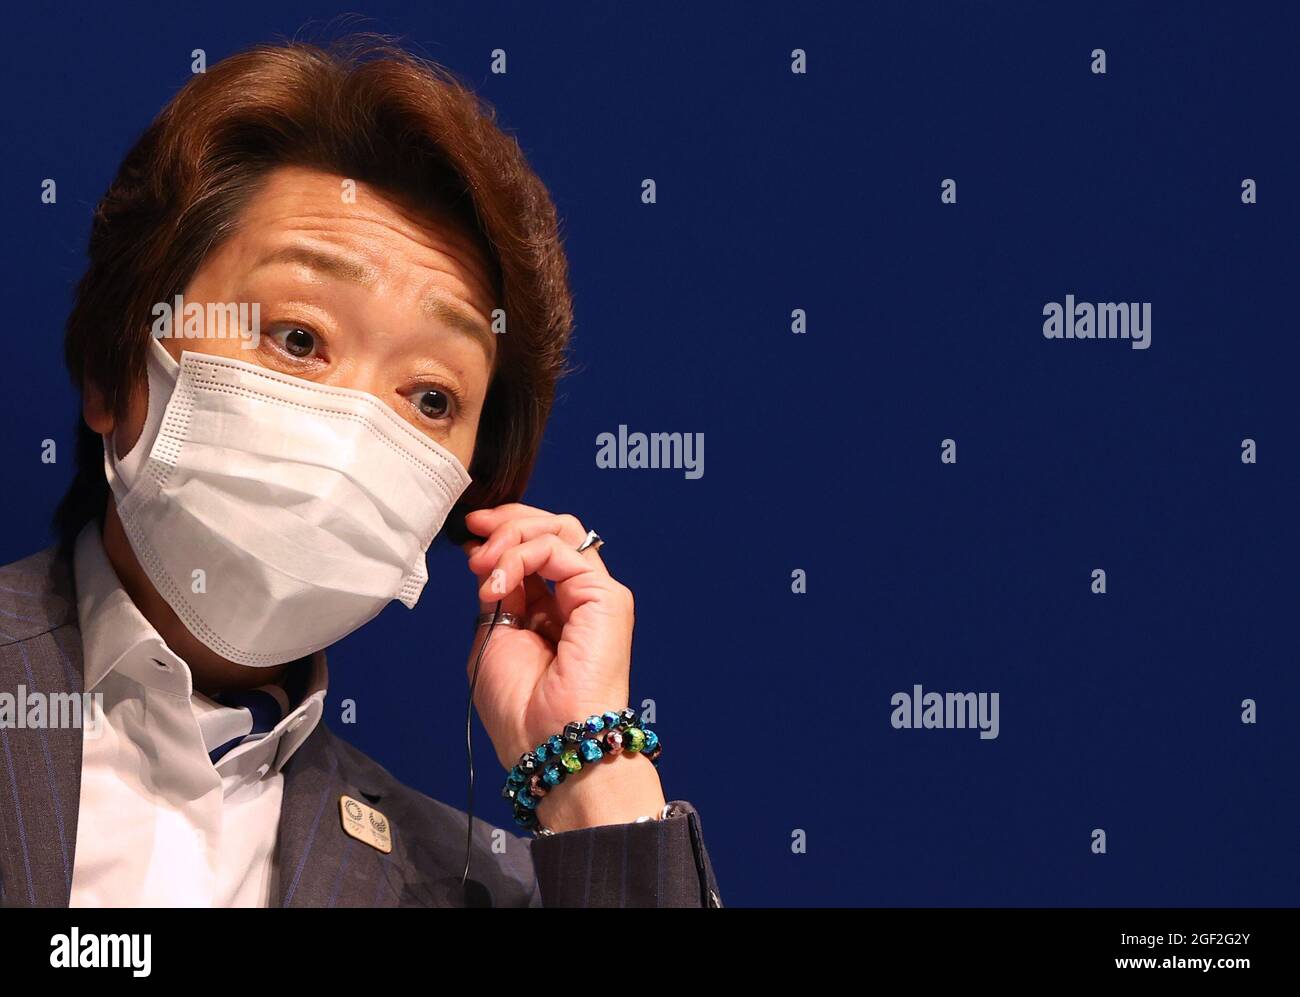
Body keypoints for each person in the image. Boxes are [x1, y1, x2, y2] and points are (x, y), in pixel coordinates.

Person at [0, 36, 721, 908]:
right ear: (115, 375)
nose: (355, 427)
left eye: (428, 398)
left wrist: (589, 764)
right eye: (298, 338)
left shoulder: (463, 885)